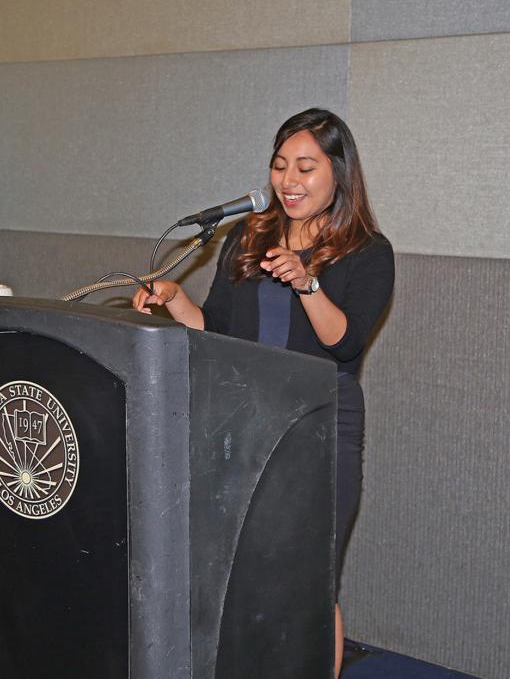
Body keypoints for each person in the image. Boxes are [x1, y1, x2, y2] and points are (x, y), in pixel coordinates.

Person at [133, 108, 394, 677]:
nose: (289, 180)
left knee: (309, 576)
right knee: (240, 569)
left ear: (338, 174)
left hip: (320, 427)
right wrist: (176, 300)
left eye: (306, 166)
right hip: (246, 421)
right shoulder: (248, 235)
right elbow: (218, 334)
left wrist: (307, 281)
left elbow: (344, 342)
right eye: (280, 166)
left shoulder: (368, 251)